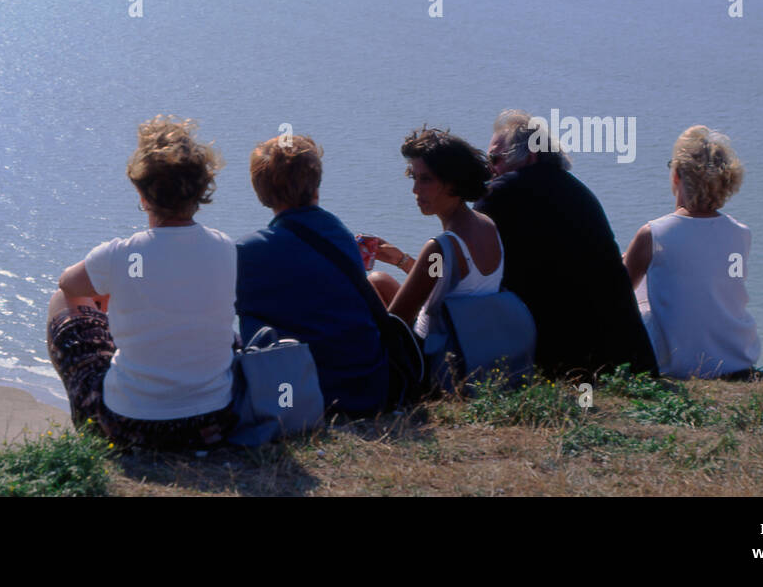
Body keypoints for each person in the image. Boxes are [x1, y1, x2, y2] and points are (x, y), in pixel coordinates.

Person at [46, 115, 238, 450]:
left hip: (132, 424)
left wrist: (112, 293)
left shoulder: (121, 254)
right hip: (214, 419)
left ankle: (90, 426)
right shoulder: (224, 246)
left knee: (60, 301)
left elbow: (68, 284)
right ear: (201, 190)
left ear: (141, 190)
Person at [476, 110, 657, 379]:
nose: (489, 169)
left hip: (556, 359)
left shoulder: (501, 193)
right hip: (623, 356)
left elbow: (468, 264)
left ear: (530, 156)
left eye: (494, 159)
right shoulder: (580, 192)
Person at [235, 134, 390, 415]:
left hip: (304, 392)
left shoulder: (248, 250)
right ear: (316, 181)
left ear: (260, 189)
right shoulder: (340, 234)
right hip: (368, 386)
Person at [622, 126, 760, 379]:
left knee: (640, 282)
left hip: (678, 363)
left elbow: (617, 292)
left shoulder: (655, 233)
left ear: (677, 176)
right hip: (736, 356)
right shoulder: (741, 233)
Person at [367, 127, 503, 352]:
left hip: (435, 354)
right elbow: (445, 284)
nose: (415, 189)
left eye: (426, 180)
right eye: (414, 178)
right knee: (379, 280)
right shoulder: (488, 226)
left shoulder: (440, 248)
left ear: (453, 182)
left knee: (364, 289)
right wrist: (400, 260)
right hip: (471, 341)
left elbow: (396, 322)